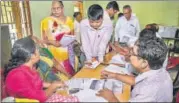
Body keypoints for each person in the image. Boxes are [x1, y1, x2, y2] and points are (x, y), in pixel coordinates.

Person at [97, 31, 173, 102]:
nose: (129, 54)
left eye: (132, 52)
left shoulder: (149, 89)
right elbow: (135, 80)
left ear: (144, 63)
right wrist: (114, 75)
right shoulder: (158, 71)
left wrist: (111, 98)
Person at [4, 36, 79, 102]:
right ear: (32, 56)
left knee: (72, 96)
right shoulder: (18, 75)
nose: (39, 50)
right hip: (36, 100)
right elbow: (39, 98)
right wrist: (53, 87)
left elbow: (37, 83)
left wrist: (51, 84)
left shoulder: (29, 68)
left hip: (38, 98)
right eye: (37, 49)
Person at [41, 1, 78, 79]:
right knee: (59, 81)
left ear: (62, 8)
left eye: (58, 8)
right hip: (54, 58)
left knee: (69, 78)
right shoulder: (46, 21)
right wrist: (53, 42)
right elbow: (44, 40)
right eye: (53, 9)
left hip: (67, 55)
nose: (56, 11)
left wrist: (69, 40)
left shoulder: (69, 20)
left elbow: (72, 36)